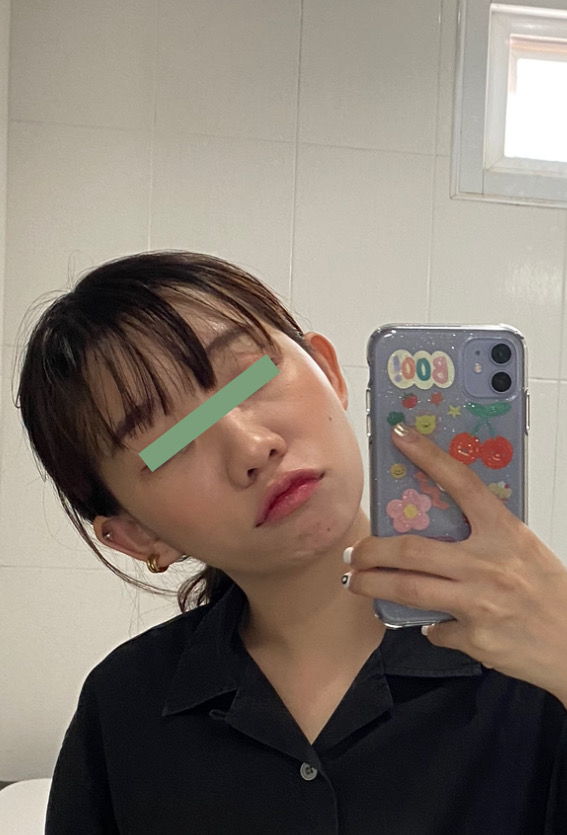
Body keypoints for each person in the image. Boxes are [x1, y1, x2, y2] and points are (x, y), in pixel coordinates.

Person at [16, 250, 567, 834]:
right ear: (136, 534)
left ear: (328, 371)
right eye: (169, 444)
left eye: (250, 376)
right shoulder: (123, 707)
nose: (252, 447)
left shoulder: (534, 660)